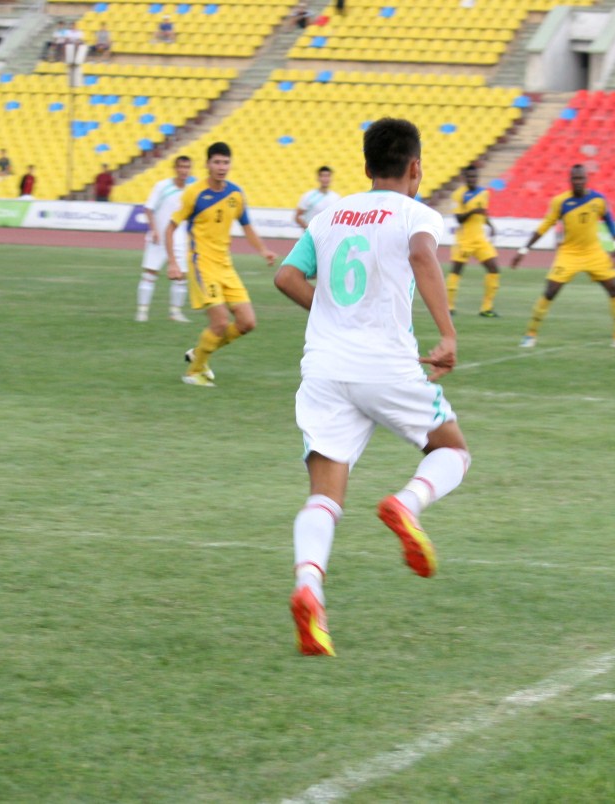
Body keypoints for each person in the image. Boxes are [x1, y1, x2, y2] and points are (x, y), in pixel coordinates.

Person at [273, 117, 470, 657]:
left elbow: (286, 277)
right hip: (386, 365)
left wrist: (333, 314)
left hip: (325, 370)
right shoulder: (415, 213)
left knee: (323, 497)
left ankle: (309, 589)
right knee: (452, 451)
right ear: (415, 168)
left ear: (365, 168)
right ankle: (406, 504)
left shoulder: (328, 215)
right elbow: (422, 255)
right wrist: (448, 334)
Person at [166, 141, 276, 387]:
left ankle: (199, 353)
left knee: (247, 322)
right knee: (220, 322)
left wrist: (263, 250)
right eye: (216, 162)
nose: (221, 167)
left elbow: (247, 226)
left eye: (225, 162)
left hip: (225, 266)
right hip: (202, 266)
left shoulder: (235, 194)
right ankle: (194, 372)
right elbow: (170, 228)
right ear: (207, 164)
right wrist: (173, 262)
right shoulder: (194, 193)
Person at [511, 164, 615, 351]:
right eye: (574, 179)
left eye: (581, 178)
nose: (578, 182)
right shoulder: (560, 202)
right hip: (569, 253)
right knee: (550, 290)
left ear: (586, 179)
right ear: (569, 180)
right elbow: (544, 226)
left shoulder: (598, 199)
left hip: (594, 252)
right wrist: (523, 249)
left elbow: (609, 219)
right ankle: (530, 335)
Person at [137, 155, 194, 323]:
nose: (184, 170)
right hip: (159, 237)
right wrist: (154, 230)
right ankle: (142, 312)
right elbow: (149, 208)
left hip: (179, 239)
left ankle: (175, 313)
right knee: (150, 274)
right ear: (175, 168)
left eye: (187, 167)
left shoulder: (191, 191)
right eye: (181, 167)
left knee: (181, 277)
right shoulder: (162, 186)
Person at [446, 164, 502, 317]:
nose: (472, 179)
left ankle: (486, 308)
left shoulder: (483, 193)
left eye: (475, 176)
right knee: (456, 271)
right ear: (464, 178)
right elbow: (459, 219)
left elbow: (483, 213)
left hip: (480, 240)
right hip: (464, 240)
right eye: (469, 177)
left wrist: (490, 225)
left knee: (494, 269)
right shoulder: (458, 195)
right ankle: (449, 307)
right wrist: (473, 211)